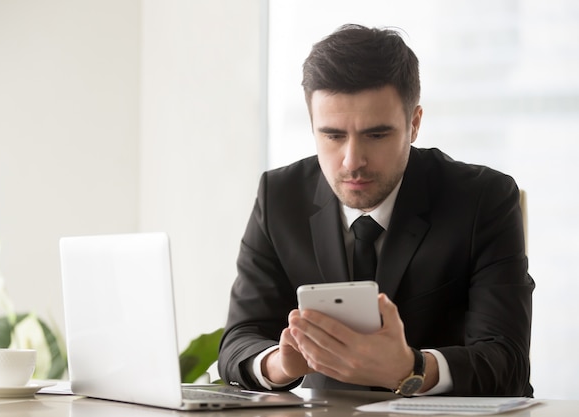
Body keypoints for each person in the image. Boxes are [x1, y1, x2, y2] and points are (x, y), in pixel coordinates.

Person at [218, 24, 534, 397]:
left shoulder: (485, 199)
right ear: (313, 127)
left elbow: (507, 361)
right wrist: (280, 364)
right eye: (333, 135)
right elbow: (239, 340)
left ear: (414, 124)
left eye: (376, 135)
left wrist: (411, 368)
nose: (352, 161)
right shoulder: (279, 196)